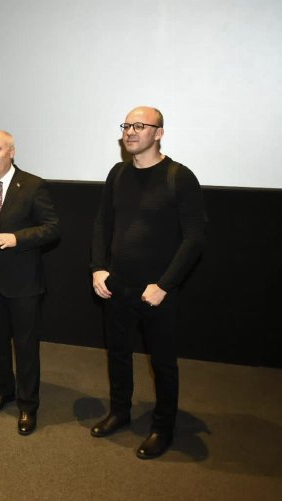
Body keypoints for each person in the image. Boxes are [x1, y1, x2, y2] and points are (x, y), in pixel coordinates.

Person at [90, 106, 206, 459]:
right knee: (118, 354)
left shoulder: (178, 176)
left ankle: (163, 427)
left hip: (157, 291)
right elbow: (102, 224)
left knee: (163, 363)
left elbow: (195, 238)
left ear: (159, 133)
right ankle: (120, 411)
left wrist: (164, 285)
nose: (130, 131)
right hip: (117, 286)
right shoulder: (117, 173)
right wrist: (98, 268)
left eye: (140, 125)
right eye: (127, 125)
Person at [0, 130, 59, 435]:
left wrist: (16, 238)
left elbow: (52, 228)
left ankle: (28, 405)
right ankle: (5, 390)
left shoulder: (33, 185)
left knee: (26, 347)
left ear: (11, 152)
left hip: (23, 284)